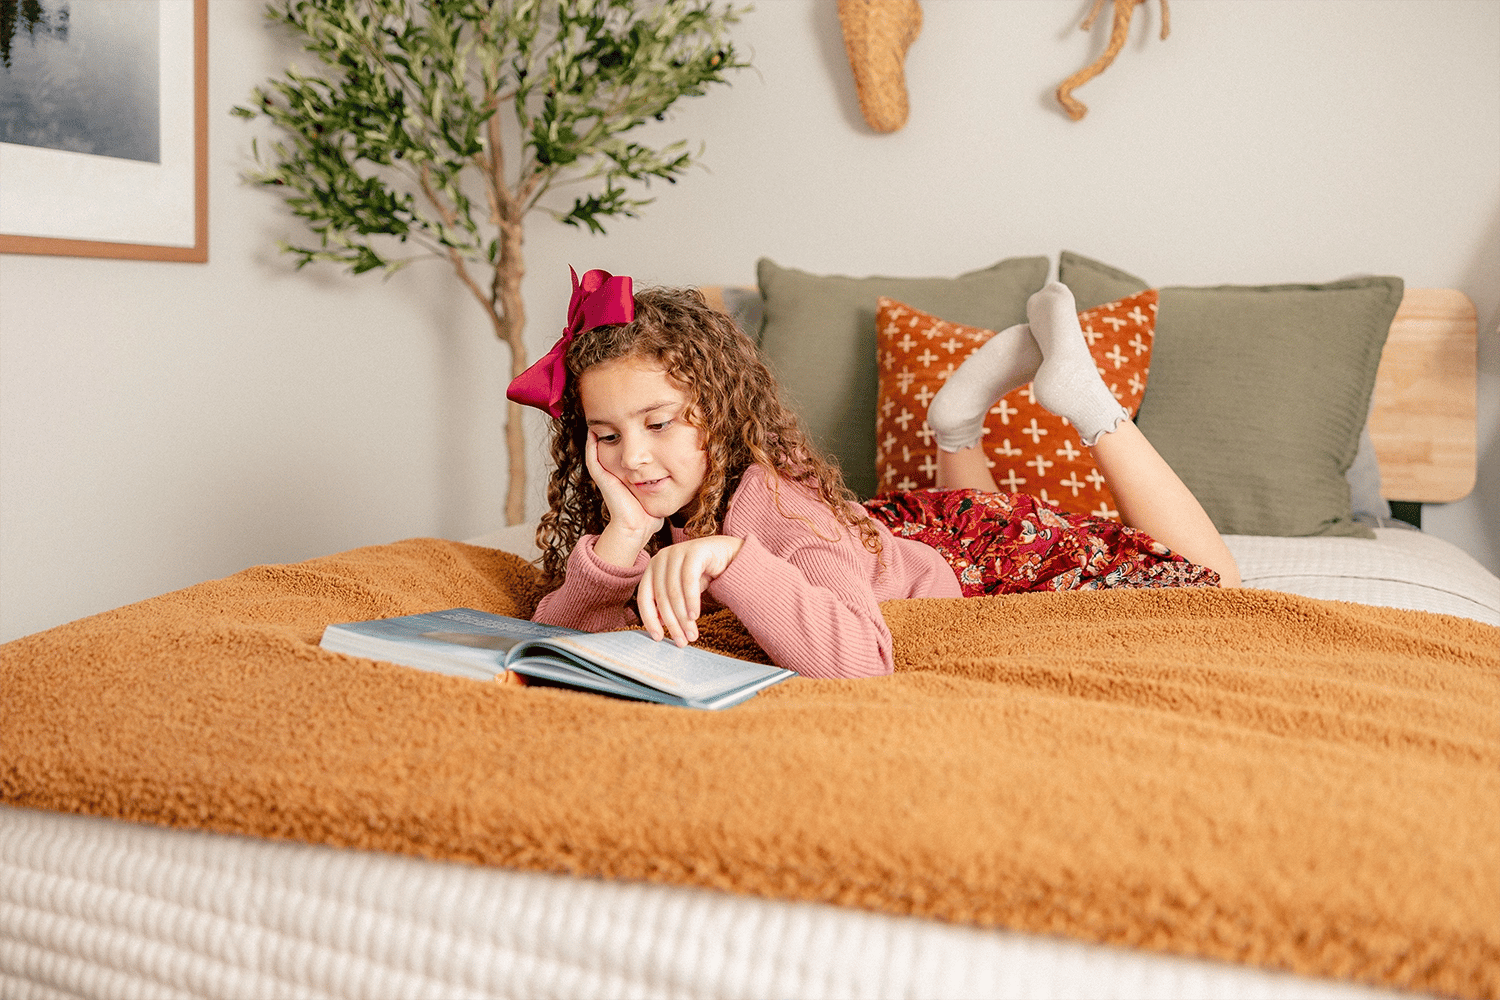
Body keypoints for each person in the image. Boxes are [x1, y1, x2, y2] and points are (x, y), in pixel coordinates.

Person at [508, 267, 1240, 680]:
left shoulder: (772, 503)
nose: (631, 457)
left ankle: (1090, 405)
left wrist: (734, 559)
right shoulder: (646, 497)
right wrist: (617, 547)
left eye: (659, 423)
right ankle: (956, 426)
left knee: (1212, 586)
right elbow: (560, 648)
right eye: (606, 434)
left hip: (973, 567)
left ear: (719, 412)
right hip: (903, 539)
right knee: (947, 526)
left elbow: (861, 661)